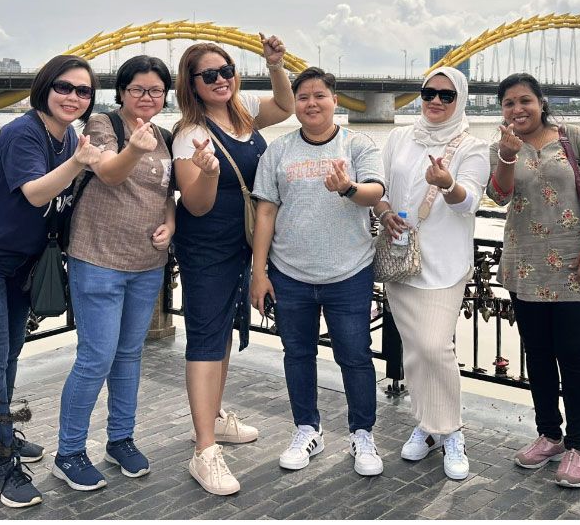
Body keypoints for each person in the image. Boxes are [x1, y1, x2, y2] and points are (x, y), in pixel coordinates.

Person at [0, 55, 100, 508]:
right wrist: (80, 164)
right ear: (45, 89)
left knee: (9, 352)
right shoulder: (23, 132)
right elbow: (34, 193)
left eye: (83, 91)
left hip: (19, 263)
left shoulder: (69, 136)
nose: (74, 97)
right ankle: (1, 464)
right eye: (65, 88)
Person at [171, 34, 295, 495]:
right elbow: (197, 206)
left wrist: (276, 64)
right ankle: (205, 450)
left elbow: (285, 107)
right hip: (207, 246)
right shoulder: (190, 134)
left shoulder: (243, 115)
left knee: (220, 331)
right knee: (205, 335)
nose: (221, 80)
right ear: (193, 84)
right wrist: (206, 173)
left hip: (242, 244)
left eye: (227, 71)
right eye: (210, 75)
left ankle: (215, 418)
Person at [485, 72, 580, 489]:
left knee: (575, 358)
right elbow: (500, 196)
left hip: (577, 266)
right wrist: (508, 157)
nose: (517, 109)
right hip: (525, 267)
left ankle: (577, 446)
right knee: (539, 356)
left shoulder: (574, 138)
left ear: (542, 103)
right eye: (509, 103)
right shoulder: (501, 147)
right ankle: (550, 436)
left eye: (525, 100)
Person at [249, 68, 387, 477]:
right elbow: (266, 212)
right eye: (304, 97)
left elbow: (375, 193)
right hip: (290, 273)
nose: (312, 103)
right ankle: (308, 428)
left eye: (320, 95)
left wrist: (347, 188)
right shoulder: (279, 151)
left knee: (356, 357)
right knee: (298, 355)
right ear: (295, 104)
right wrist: (260, 272)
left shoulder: (358, 144)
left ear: (334, 100)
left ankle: (362, 433)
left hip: (349, 273)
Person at [52, 55, 176, 491]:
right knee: (95, 358)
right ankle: (68, 452)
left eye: (156, 91)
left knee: (128, 355)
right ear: (122, 92)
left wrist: (171, 225)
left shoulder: (163, 135)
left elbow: (166, 194)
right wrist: (132, 149)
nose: (147, 97)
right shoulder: (104, 126)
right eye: (139, 89)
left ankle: (120, 439)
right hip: (98, 259)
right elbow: (106, 173)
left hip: (147, 264)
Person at [373, 66, 491, 481]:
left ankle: (450, 431)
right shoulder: (400, 137)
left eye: (446, 95)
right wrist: (384, 212)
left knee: (435, 345)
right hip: (402, 259)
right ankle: (427, 426)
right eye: (429, 94)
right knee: (415, 349)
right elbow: (380, 189)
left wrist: (448, 183)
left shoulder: (473, 147)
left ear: (460, 100)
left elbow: (470, 203)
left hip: (444, 262)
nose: (436, 102)